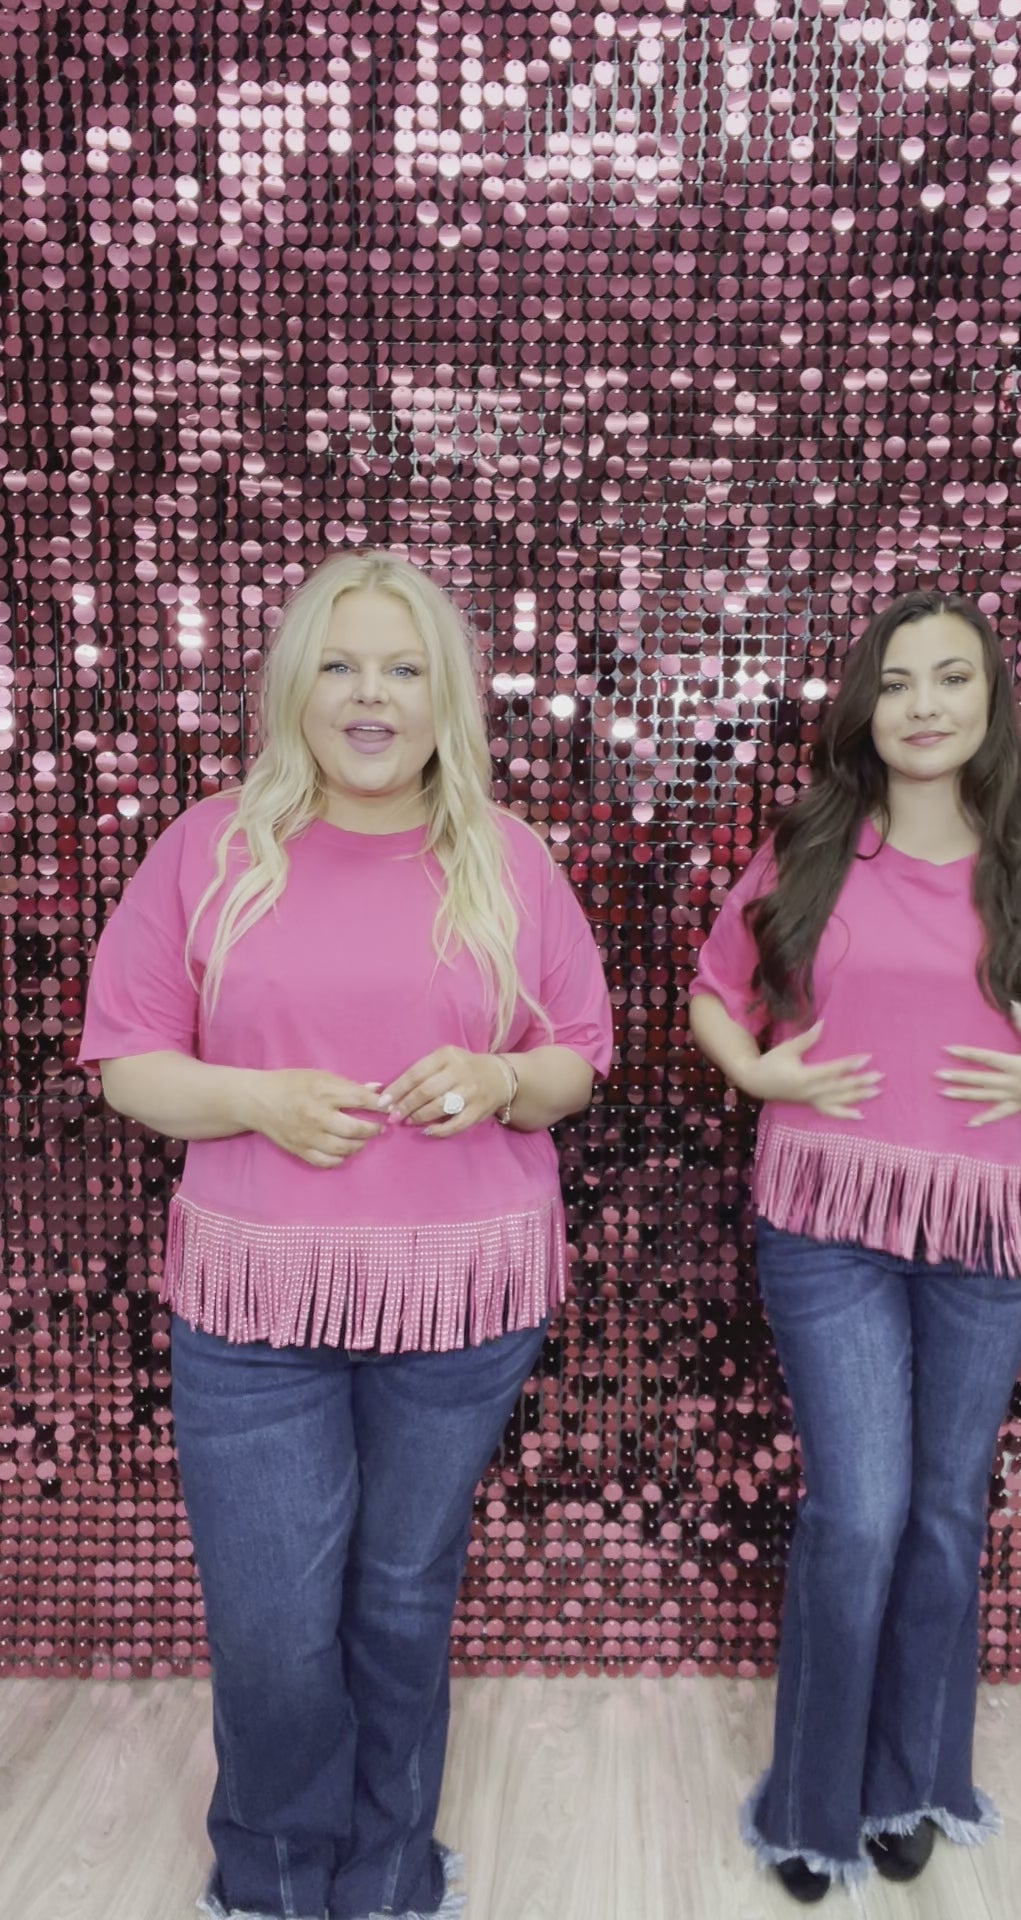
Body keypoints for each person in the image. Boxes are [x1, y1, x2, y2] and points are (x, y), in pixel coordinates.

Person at [78, 549, 612, 1920]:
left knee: (397, 1601)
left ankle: (385, 1866)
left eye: (402, 667)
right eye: (339, 663)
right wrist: (252, 1100)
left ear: (447, 698)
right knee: (271, 1623)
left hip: (462, 1296)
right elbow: (127, 1057)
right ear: (291, 686)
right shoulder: (209, 848)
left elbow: (577, 1062)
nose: (369, 695)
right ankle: (268, 1870)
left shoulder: (507, 856)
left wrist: (500, 1079)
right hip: (255, 1301)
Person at [689, 589, 1021, 1903]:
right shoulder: (814, 847)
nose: (924, 705)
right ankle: (812, 1804)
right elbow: (714, 989)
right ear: (869, 706)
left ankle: (911, 1781)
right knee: (858, 1514)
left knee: (943, 1515)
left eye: (950, 679)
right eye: (899, 681)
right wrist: (758, 1070)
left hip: (991, 1225)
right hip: (827, 1223)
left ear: (989, 704)